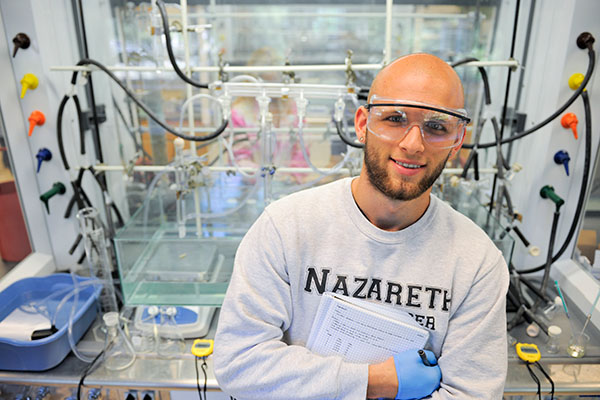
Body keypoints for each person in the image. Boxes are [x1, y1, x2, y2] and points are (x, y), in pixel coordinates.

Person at [213, 53, 509, 399]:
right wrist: (375, 380)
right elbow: (240, 363)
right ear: (362, 123)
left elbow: (471, 394)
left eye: (436, 126)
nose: (413, 144)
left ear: (458, 139)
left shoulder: (476, 262)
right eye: (395, 118)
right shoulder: (287, 227)